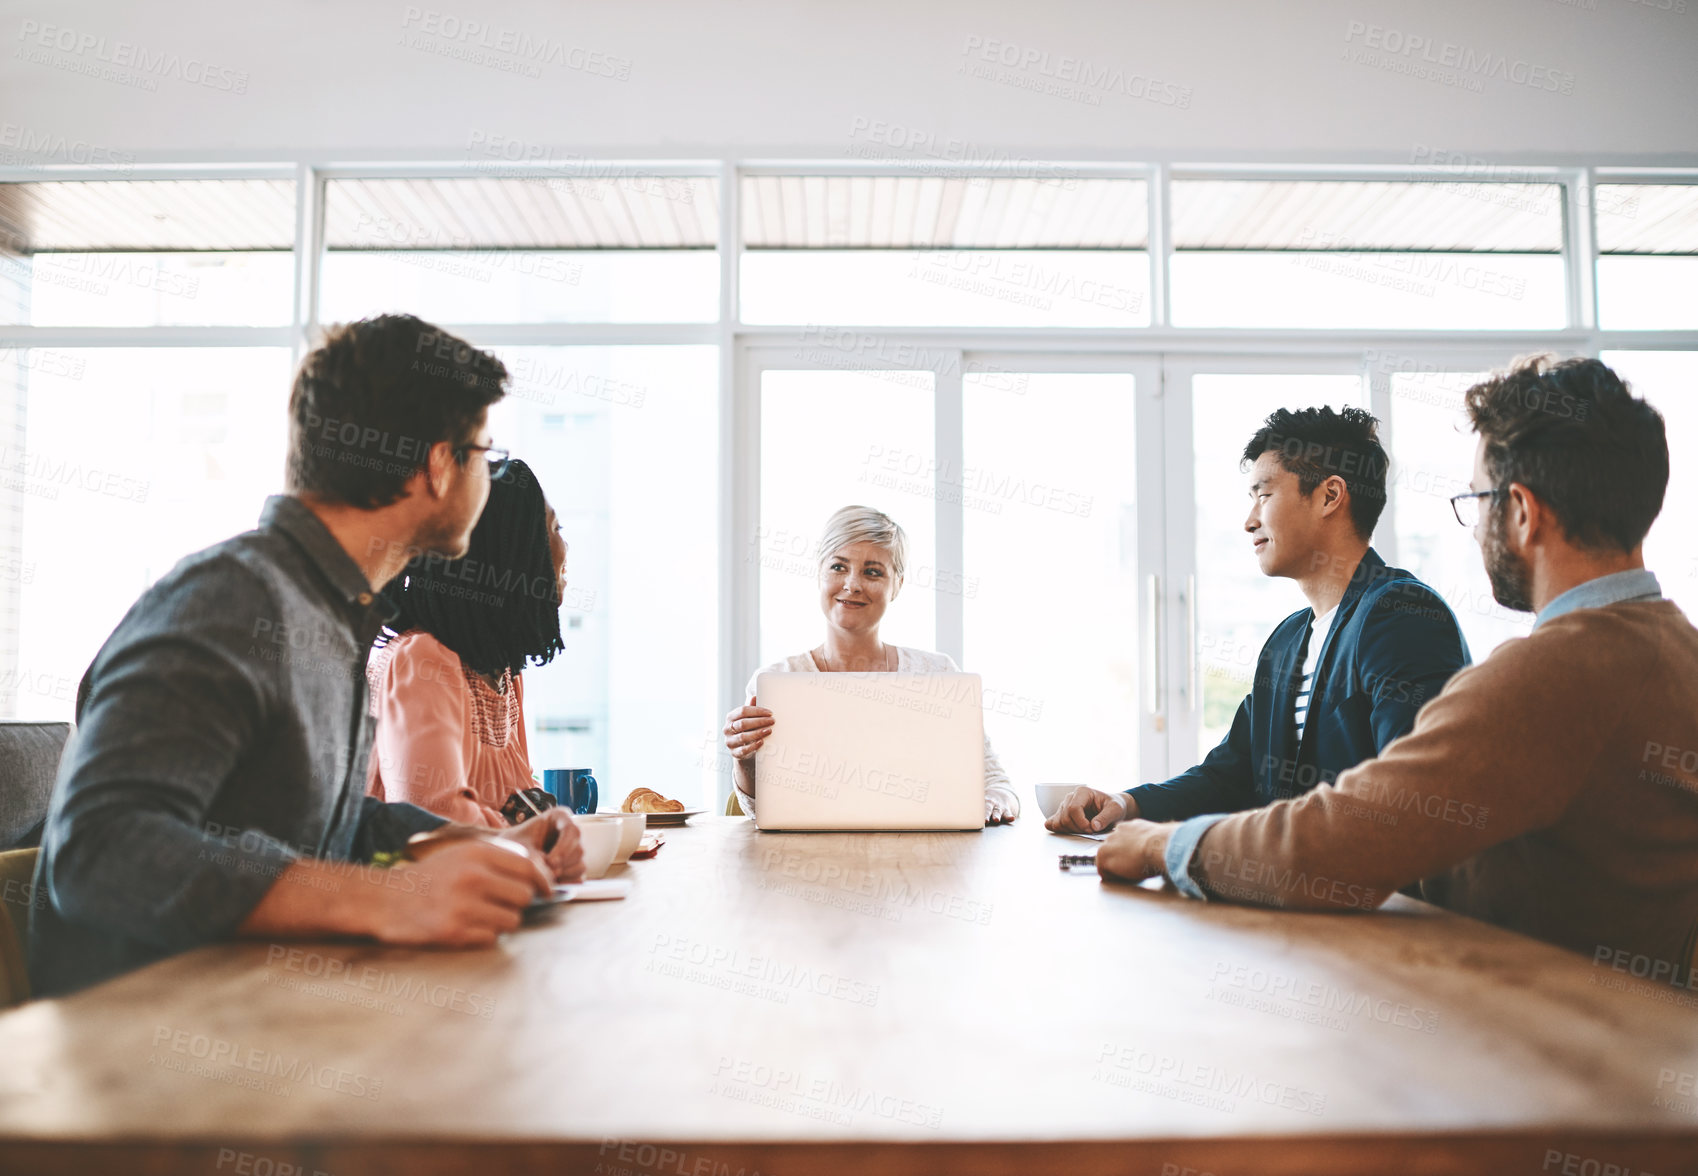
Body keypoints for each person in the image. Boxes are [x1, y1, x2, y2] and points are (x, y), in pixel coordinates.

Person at [30, 314, 584, 998]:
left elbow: (329, 827)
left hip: (260, 1016)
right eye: (482, 452)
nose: (487, 477)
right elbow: (100, 851)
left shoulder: (330, 612)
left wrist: (477, 846)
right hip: (140, 1055)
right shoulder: (232, 599)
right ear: (440, 467)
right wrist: (390, 899)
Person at [1096, 356, 1698, 983]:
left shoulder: (1550, 673)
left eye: (1478, 499)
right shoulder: (1678, 649)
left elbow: (1354, 834)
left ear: (1520, 510)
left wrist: (1162, 846)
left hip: (1542, 1040)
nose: (1473, 530)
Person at [1048, 406, 1469, 837]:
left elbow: (1408, 798)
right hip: (1289, 895)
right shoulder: (1286, 640)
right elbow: (1233, 773)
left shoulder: (1401, 614)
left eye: (1264, 495)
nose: (1250, 521)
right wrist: (1125, 804)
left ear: (1330, 495)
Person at [724, 505, 1020, 825]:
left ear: (898, 585)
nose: (852, 584)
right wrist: (745, 759)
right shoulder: (779, 680)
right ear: (819, 573)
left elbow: (998, 784)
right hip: (809, 862)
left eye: (873, 571)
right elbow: (760, 812)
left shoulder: (938, 674)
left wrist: (996, 801)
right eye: (839, 566)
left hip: (921, 862)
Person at [367, 458, 567, 827]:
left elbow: (514, 796)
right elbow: (434, 819)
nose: (564, 548)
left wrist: (533, 808)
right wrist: (526, 828)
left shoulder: (503, 671)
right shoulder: (420, 661)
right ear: (509, 551)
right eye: (553, 529)